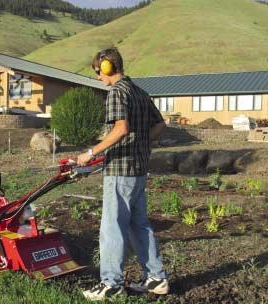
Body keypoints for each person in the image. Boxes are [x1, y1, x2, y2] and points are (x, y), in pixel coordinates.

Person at [77, 48, 168, 301]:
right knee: (140, 226)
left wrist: (90, 152)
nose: (97, 77)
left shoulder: (117, 92)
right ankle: (156, 278)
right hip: (138, 170)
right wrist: (144, 143)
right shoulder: (139, 91)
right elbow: (160, 124)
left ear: (107, 68)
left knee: (112, 228)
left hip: (120, 170)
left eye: (98, 71)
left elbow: (121, 128)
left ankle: (110, 283)